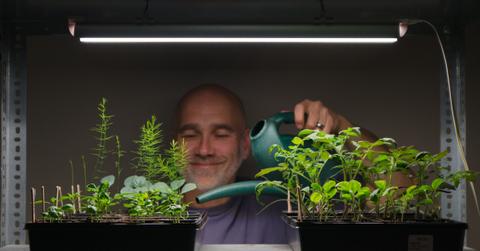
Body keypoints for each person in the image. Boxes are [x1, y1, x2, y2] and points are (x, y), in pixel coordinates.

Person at [175, 84, 411, 244]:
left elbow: (401, 191)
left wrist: (342, 126)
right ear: (174, 145)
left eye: (221, 134)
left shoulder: (285, 204)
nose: (204, 150)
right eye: (190, 135)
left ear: (246, 145)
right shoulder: (147, 213)